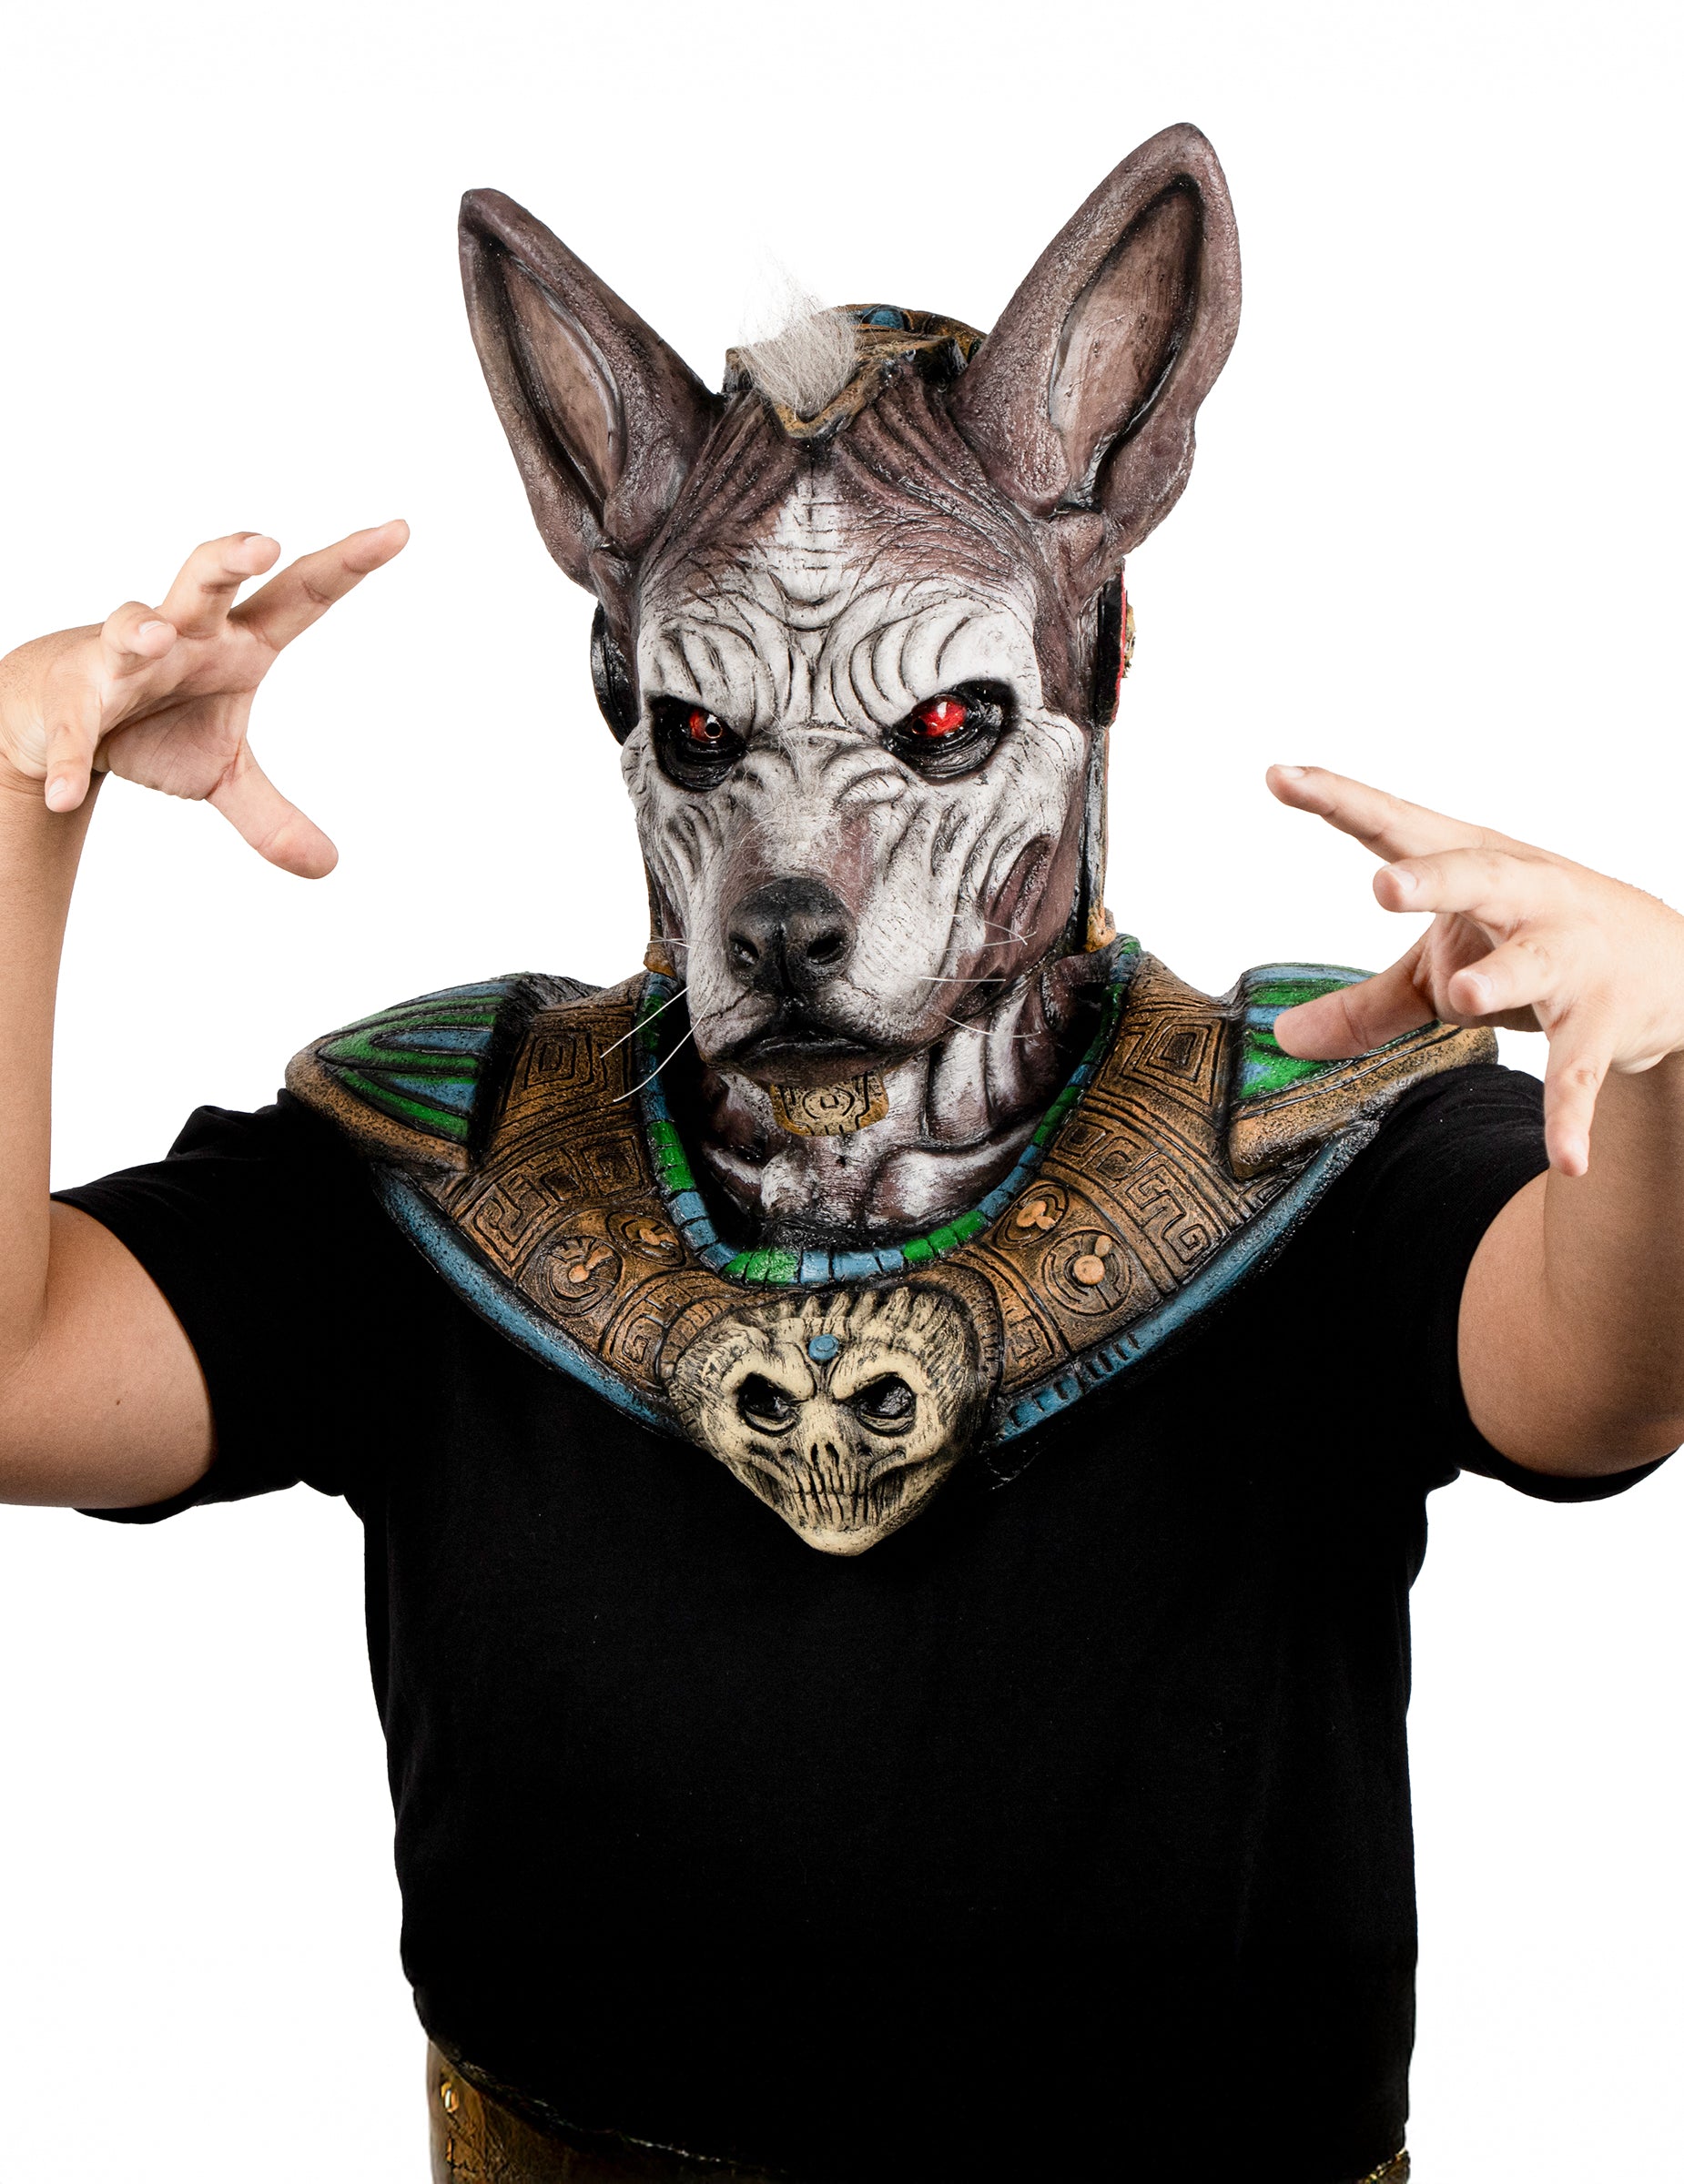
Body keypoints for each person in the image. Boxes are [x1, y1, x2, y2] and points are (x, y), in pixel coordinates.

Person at [2, 129, 1680, 2184]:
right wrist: (19, 798)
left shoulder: (1308, 1135)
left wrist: (1663, 1061)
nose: (803, 880)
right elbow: (14, 1381)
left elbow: (1604, 1378)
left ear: (1094, 667)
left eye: (936, 729)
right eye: (714, 737)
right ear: (622, 701)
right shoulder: (447, 1162)